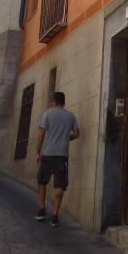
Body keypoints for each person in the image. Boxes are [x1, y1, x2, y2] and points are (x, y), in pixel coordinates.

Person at [35, 91, 79, 226]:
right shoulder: (71, 116)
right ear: (64, 102)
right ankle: (55, 215)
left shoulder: (47, 113)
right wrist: (66, 138)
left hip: (48, 153)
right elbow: (77, 134)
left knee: (42, 181)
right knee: (60, 186)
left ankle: (42, 209)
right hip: (62, 155)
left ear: (54, 102)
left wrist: (38, 152)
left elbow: (41, 134)